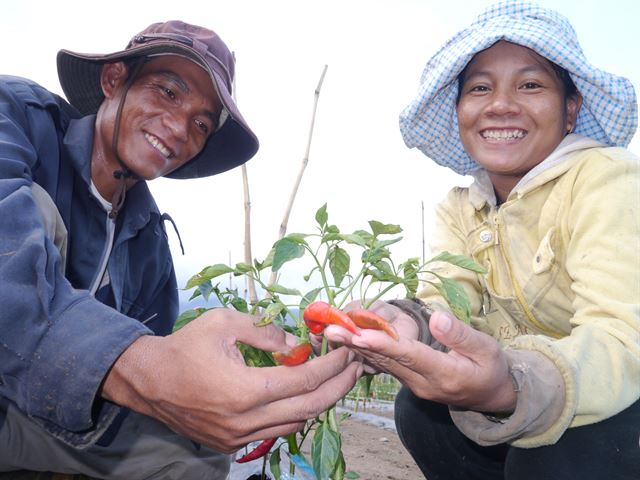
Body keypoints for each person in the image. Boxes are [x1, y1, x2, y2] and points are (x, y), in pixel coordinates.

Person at [0, 21, 361, 479]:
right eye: (168, 92)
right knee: (33, 209)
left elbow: (163, 359)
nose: (178, 127)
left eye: (201, 123)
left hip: (36, 419)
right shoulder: (15, 115)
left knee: (193, 453)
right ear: (114, 80)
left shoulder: (148, 242)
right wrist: (144, 369)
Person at [323, 2, 639, 479]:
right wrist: (406, 324)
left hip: (619, 392)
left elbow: (620, 338)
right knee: (420, 411)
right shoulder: (462, 206)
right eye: (480, 88)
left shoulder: (606, 180)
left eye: (530, 85)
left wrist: (511, 385)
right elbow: (448, 305)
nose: (501, 104)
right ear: (460, 110)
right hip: (526, 392)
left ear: (570, 108)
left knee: (555, 455)